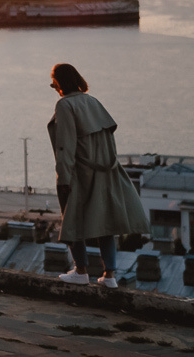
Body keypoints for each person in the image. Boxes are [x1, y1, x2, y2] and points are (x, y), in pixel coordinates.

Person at [47, 63, 149, 288]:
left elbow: (65, 145)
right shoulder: (93, 102)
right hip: (106, 171)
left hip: (81, 173)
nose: (52, 85)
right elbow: (109, 140)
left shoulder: (65, 105)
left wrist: (64, 178)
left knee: (73, 220)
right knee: (106, 223)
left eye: (53, 80)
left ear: (61, 82)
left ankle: (81, 270)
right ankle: (110, 275)